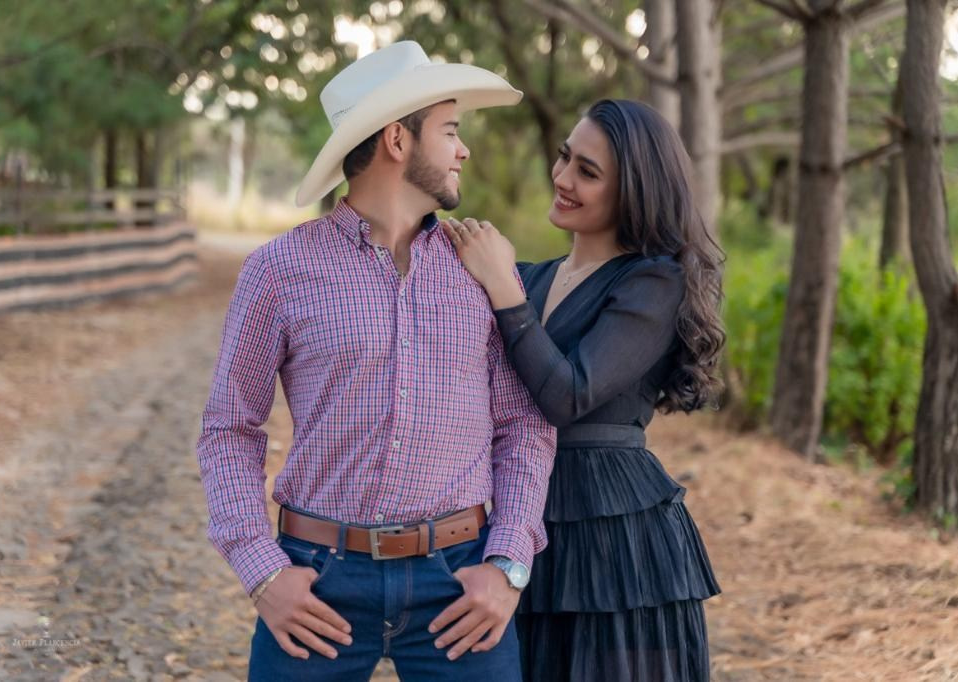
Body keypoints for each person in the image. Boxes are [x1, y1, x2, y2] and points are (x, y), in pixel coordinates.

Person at [196, 41, 556, 682]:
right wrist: (261, 571)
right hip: (318, 580)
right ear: (397, 140)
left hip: (458, 580)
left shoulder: (484, 270)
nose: (462, 149)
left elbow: (525, 425)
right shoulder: (278, 272)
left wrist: (509, 567)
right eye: (449, 131)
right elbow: (230, 429)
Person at [443, 99, 724, 682]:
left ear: (634, 192)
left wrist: (501, 286)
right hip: (525, 519)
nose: (563, 178)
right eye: (565, 158)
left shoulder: (653, 281)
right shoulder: (532, 279)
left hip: (615, 535)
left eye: (588, 172)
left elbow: (568, 395)